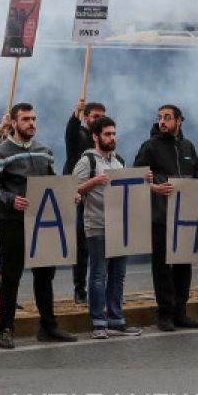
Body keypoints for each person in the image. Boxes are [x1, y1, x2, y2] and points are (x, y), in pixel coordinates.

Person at [0, 103, 77, 349]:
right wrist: (11, 200)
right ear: (13, 123)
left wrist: (68, 194)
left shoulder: (45, 151)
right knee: (11, 276)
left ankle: (49, 326)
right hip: (13, 222)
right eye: (26, 119)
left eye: (34, 119)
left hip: (42, 222)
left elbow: (53, 183)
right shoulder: (0, 153)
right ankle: (5, 329)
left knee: (45, 275)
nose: (32, 123)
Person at [133, 104, 198, 331]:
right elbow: (135, 179)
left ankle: (180, 312)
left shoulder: (188, 146)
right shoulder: (150, 146)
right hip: (161, 214)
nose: (162, 121)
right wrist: (153, 188)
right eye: (160, 117)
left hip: (185, 214)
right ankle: (164, 314)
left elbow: (195, 177)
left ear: (179, 121)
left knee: (184, 263)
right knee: (163, 266)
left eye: (167, 117)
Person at [73, 115, 144, 339]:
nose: (112, 138)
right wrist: (93, 182)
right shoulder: (87, 161)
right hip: (97, 225)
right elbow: (71, 189)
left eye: (114, 133)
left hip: (119, 226)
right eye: (107, 134)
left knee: (118, 275)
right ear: (96, 137)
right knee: (98, 274)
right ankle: (98, 321)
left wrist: (143, 180)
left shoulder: (119, 161)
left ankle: (116, 318)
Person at [65, 99, 107, 305]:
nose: (100, 120)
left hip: (99, 196)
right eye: (95, 116)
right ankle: (79, 288)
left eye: (102, 116)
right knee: (81, 243)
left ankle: (100, 286)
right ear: (86, 118)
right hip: (80, 195)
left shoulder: (103, 139)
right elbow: (71, 131)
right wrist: (76, 113)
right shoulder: (79, 135)